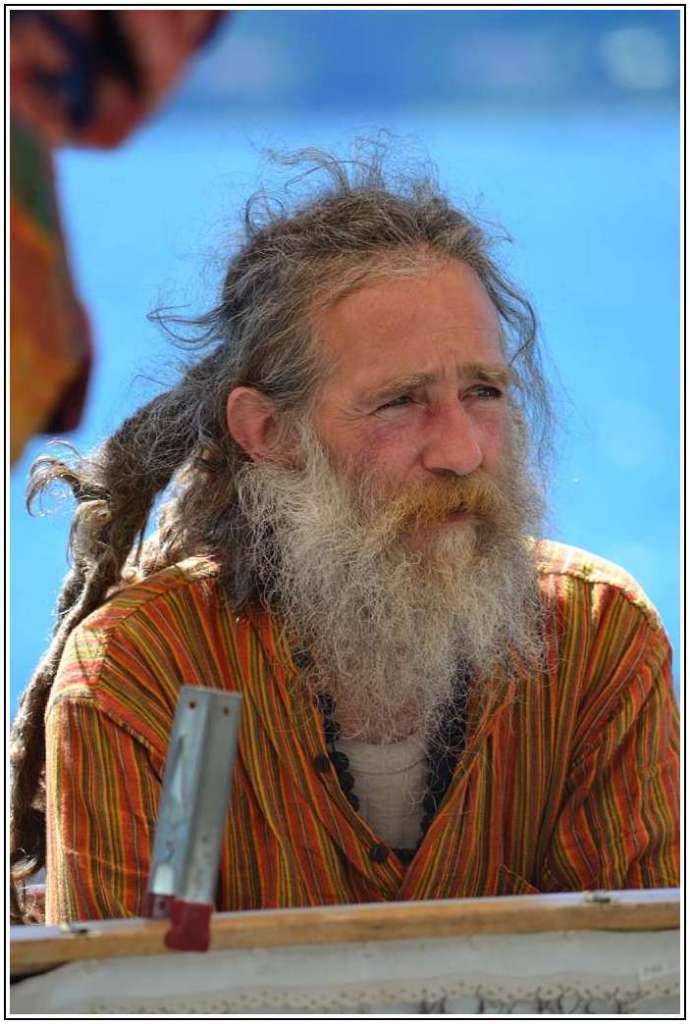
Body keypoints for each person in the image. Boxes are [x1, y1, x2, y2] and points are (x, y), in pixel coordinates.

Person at [10, 144, 679, 924]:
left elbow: (637, 967)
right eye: (401, 402)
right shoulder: (181, 684)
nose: (463, 451)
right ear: (271, 433)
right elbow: (159, 970)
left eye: (484, 390)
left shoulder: (591, 642)